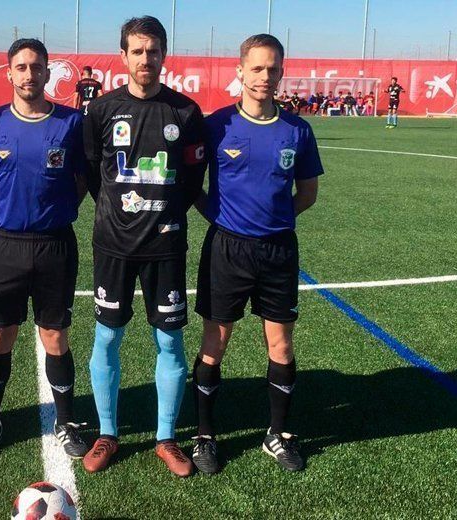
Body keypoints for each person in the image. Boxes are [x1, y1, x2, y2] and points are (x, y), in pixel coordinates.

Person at [191, 33, 322, 475]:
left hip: (279, 250)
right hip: (227, 249)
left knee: (281, 345)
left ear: (282, 73)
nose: (265, 77)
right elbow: (194, 185)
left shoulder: (297, 130)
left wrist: (274, 219)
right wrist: (224, 217)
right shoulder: (216, 125)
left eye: (274, 69)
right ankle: (204, 436)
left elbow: (307, 193)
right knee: (216, 342)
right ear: (240, 71)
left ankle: (277, 434)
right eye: (258, 68)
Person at [81, 15, 206, 478]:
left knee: (169, 340)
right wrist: (120, 211)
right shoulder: (101, 111)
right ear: (123, 56)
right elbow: (95, 172)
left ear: (163, 55)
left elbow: (192, 180)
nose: (145, 59)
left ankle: (166, 438)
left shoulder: (186, 113)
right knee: (107, 336)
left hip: (166, 246)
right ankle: (108, 433)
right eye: (137, 51)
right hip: (113, 245)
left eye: (153, 50)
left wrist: (163, 215)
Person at [0, 39, 89, 461]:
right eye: (21, 67)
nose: (29, 74)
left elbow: (82, 180)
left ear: (47, 71)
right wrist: (2, 219)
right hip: (4, 245)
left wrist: (55, 211)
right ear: (9, 73)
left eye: (37, 67)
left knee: (55, 335)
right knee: (2, 335)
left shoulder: (72, 124)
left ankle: (66, 422)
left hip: (55, 244)